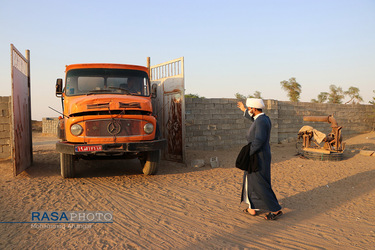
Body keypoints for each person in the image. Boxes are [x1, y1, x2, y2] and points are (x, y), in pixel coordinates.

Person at [237, 98, 283, 220]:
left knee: (260, 183)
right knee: (250, 181)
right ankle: (252, 208)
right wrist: (243, 110)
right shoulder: (262, 118)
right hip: (257, 154)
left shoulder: (262, 121)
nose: (248, 110)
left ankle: (276, 210)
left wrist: (248, 153)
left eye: (249, 108)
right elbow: (254, 119)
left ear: (254, 109)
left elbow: (259, 140)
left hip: (258, 156)